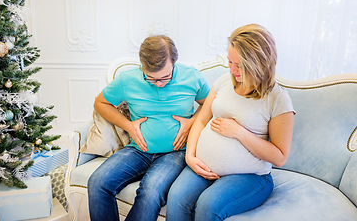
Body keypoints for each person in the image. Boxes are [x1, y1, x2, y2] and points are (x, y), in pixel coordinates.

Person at [166, 24, 295, 221]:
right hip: (204, 165)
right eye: (230, 61)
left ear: (258, 63)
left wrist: (239, 132)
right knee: (176, 197)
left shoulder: (277, 100)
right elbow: (200, 121)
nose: (232, 69)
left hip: (250, 176)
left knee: (208, 205)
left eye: (239, 65)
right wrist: (190, 157)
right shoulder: (224, 81)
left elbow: (280, 157)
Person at [88, 35, 210, 221]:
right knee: (97, 182)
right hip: (138, 150)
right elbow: (101, 103)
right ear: (142, 65)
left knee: (151, 192)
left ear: (174, 63)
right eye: (151, 79)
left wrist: (192, 121)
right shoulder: (127, 79)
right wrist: (127, 125)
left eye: (165, 77)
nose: (159, 84)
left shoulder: (192, 77)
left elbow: (210, 105)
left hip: (175, 152)